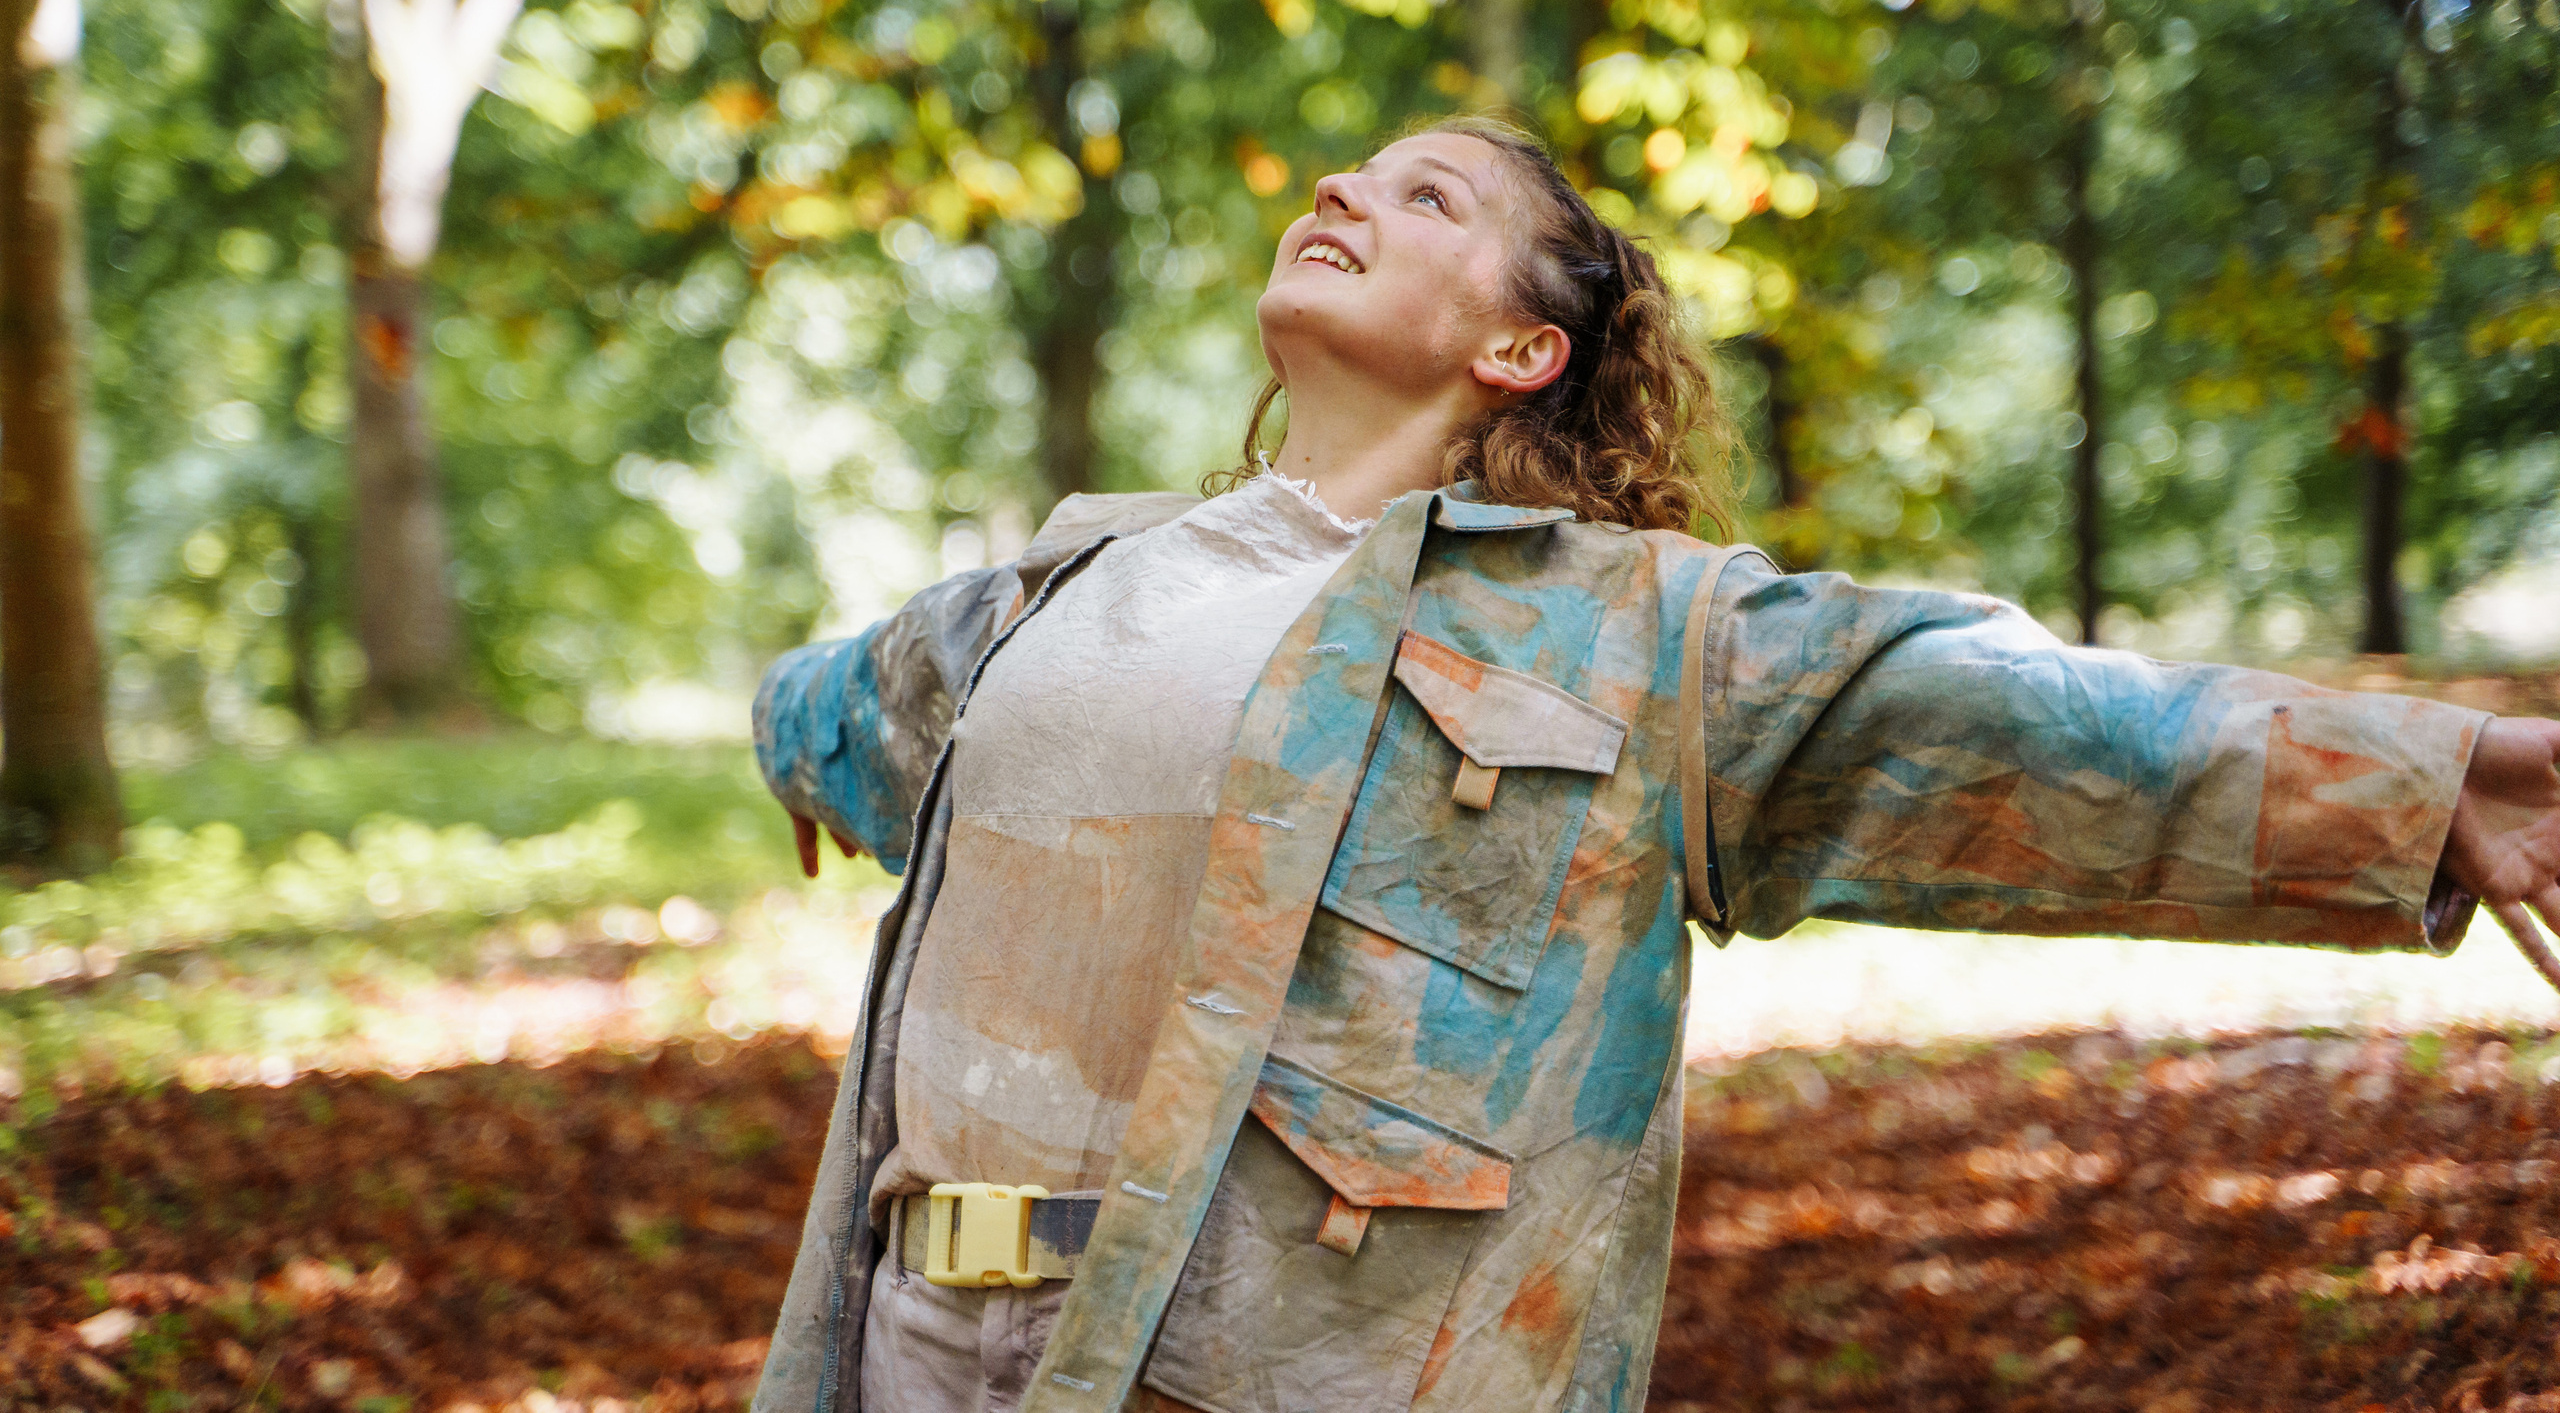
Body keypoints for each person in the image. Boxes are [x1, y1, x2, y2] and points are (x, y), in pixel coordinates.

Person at [748, 112, 2560, 1413]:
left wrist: (2433, 779)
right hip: (906, 1336)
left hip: (1244, 1363)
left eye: (1424, 192)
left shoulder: (1629, 635)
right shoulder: (1064, 579)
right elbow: (850, 710)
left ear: (1518, 346)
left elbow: (2002, 720)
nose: (1341, 190)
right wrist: (789, 745)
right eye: (1352, 173)